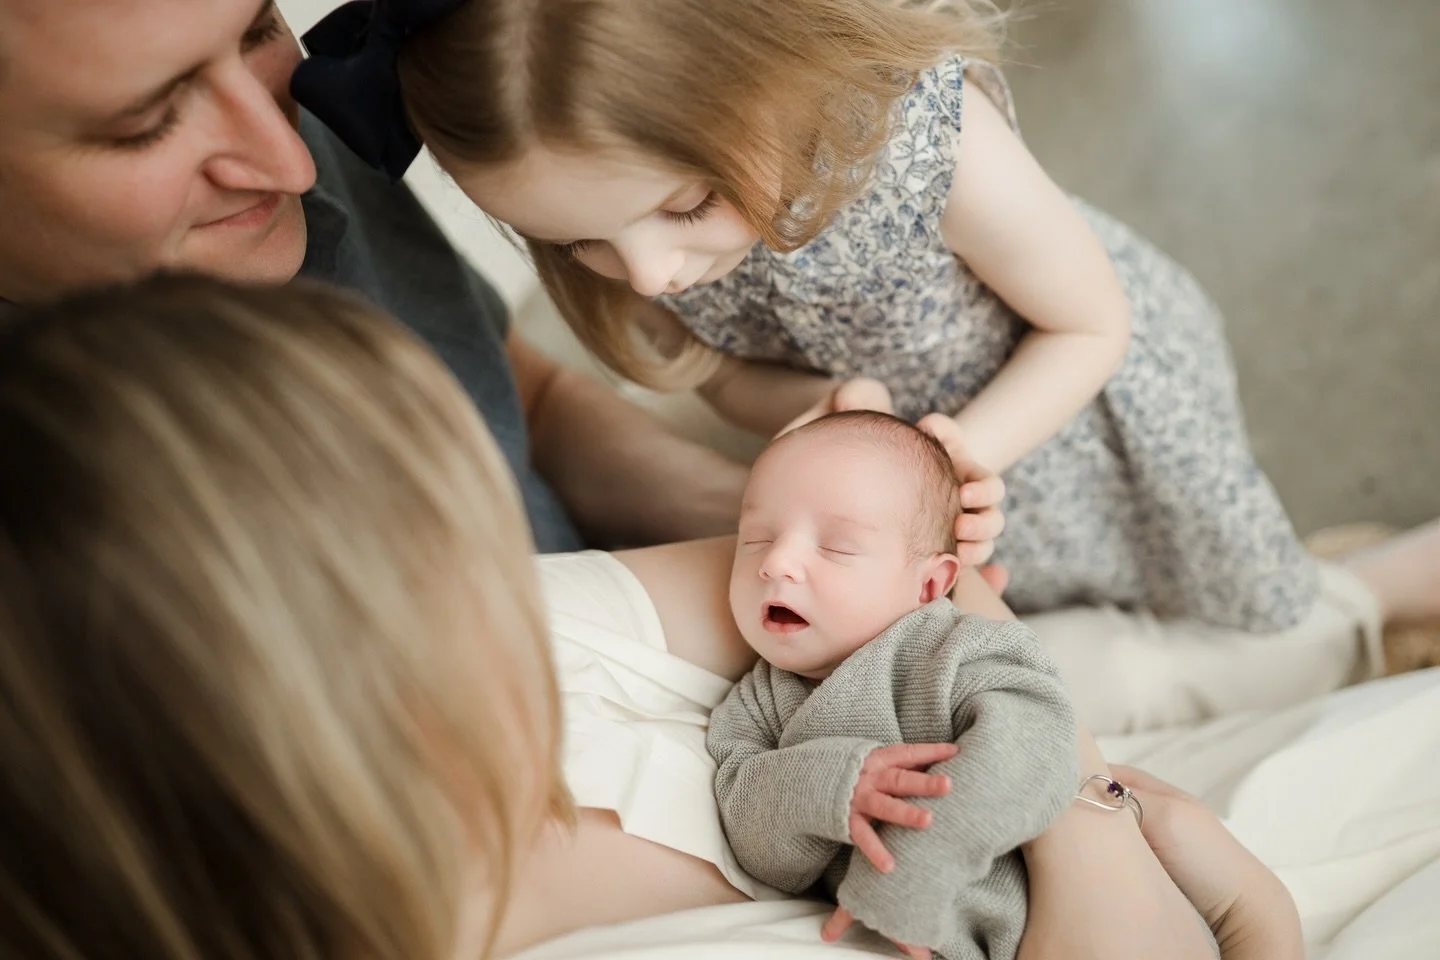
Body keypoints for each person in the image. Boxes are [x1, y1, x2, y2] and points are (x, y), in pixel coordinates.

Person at [0, 273, 1296, 959]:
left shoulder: (549, 633)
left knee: (1164, 665)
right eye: (452, 545)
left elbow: (961, 618)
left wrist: (819, 516)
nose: (495, 579)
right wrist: (1218, 897)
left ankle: (1348, 602)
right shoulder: (460, 852)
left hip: (1008, 749)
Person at [292, 0, 1440, 733]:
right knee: (1029, 613)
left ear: (760, 85)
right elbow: (722, 377)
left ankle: (1360, 598)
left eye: (683, 206)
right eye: (580, 243)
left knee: (1214, 581)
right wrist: (826, 411)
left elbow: (1093, 323)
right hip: (916, 475)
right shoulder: (644, 234)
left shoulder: (921, 144)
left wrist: (959, 453)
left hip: (1073, 415)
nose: (646, 273)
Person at [0, 0, 789, 554]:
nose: (293, 160)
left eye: (260, 30)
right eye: (147, 125)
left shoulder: (282, 137)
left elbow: (525, 405)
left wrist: (774, 523)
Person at [708, 412, 1079, 960]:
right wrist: (828, 787)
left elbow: (1035, 752)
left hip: (1033, 930)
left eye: (836, 547)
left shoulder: (959, 650)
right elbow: (756, 844)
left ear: (929, 584)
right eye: (756, 539)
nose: (776, 563)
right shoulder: (758, 700)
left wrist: (913, 871)